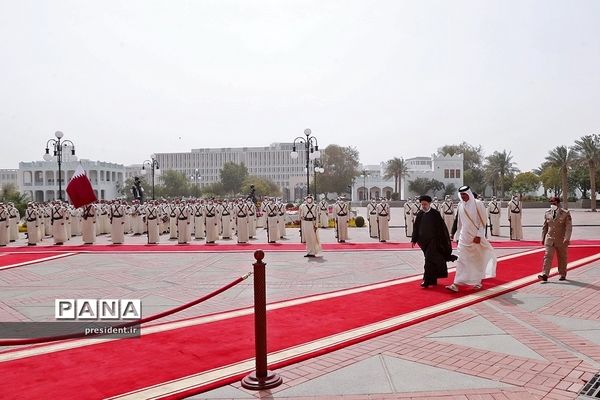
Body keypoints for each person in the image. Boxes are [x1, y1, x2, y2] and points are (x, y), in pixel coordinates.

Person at [446, 186, 497, 292]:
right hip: (464, 237)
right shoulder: (460, 205)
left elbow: (483, 221)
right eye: (461, 195)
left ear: (468, 194)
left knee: (476, 259)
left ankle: (477, 281)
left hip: (475, 237)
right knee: (461, 260)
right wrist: (458, 236)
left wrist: (479, 235)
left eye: (465, 194)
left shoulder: (478, 204)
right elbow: (459, 222)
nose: (463, 196)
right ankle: (456, 284)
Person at [411, 195, 455, 287]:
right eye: (422, 204)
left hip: (434, 242)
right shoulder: (420, 214)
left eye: (425, 204)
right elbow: (416, 227)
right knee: (431, 260)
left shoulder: (435, 214)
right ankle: (433, 280)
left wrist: (442, 241)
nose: (423, 206)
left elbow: (441, 228)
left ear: (429, 203)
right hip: (424, 243)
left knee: (428, 259)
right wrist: (414, 239)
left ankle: (426, 280)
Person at [538, 197, 572, 282]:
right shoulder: (547, 213)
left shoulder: (565, 213)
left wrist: (567, 238)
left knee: (562, 257)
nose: (552, 204)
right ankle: (545, 274)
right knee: (547, 256)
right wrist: (543, 238)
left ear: (558, 203)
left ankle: (562, 274)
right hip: (549, 239)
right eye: (551, 202)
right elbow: (545, 226)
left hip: (561, 239)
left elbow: (569, 227)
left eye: (554, 202)